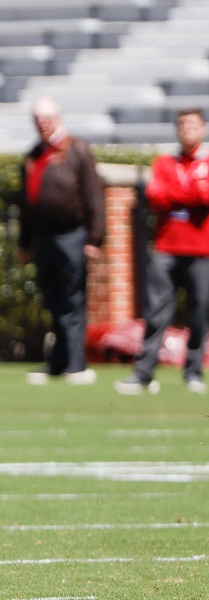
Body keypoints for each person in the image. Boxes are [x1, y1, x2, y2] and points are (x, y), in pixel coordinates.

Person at [115, 108, 209, 395]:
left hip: (201, 250)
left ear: (203, 128)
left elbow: (205, 197)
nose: (186, 129)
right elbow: (156, 195)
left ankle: (193, 372)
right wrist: (189, 194)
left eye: (192, 124)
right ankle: (143, 373)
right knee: (156, 313)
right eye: (181, 124)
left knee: (200, 313)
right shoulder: (165, 163)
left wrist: (177, 195)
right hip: (167, 248)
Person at [17, 96, 105, 385]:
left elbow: (93, 195)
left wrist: (95, 237)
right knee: (53, 300)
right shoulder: (34, 154)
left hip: (72, 235)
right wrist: (25, 241)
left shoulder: (76, 149)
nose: (42, 124)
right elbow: (26, 204)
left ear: (57, 119)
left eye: (47, 119)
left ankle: (76, 364)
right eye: (38, 120)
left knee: (73, 301)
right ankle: (56, 362)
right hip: (44, 237)